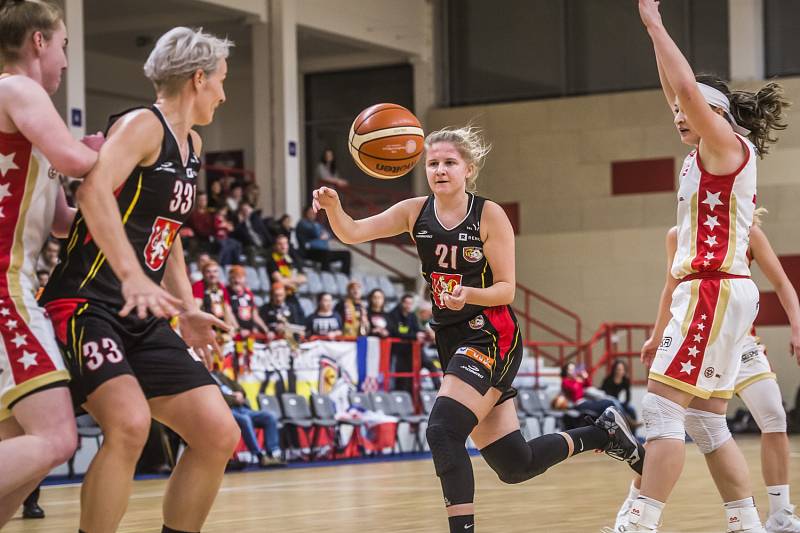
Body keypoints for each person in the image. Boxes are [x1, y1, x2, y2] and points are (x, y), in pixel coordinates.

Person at [312, 125, 642, 532]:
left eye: (449, 162)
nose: (440, 170)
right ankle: (601, 433)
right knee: (515, 464)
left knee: (442, 431)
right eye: (432, 163)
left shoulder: (488, 214)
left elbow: (506, 290)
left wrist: (467, 293)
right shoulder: (415, 211)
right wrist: (333, 207)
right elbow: (353, 232)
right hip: (452, 339)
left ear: (468, 168)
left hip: (491, 335)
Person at [40, 27, 241, 533]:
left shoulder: (191, 143)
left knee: (218, 432)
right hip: (85, 304)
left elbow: (166, 235)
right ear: (198, 79)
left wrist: (186, 308)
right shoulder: (140, 126)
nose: (223, 92)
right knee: (128, 427)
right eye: (220, 80)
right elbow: (92, 194)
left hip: (142, 313)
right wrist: (131, 276)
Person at [620, 3, 791, 531]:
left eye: (686, 108)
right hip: (715, 292)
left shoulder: (726, 145)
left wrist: (655, 23)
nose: (676, 111)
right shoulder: (702, 153)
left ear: (714, 114)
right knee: (706, 422)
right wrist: (653, 38)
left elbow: (687, 90)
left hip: (712, 292)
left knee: (664, 412)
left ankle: (640, 523)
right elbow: (679, 90)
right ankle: (748, 522)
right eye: (674, 109)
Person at [607, 221, 800, 533]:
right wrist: (656, 336)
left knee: (771, 416)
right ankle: (637, 504)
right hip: (702, 333)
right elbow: (670, 288)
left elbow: (781, 282)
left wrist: (796, 327)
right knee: (686, 420)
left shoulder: (746, 232)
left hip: (738, 342)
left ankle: (779, 513)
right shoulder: (676, 234)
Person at [0, 0, 105, 526]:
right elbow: (75, 160)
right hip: (4, 288)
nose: (65, 59)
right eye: (63, 44)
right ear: (39, 41)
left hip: (14, 282)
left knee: (19, 451)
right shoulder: (15, 88)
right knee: (58, 437)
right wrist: (115, 148)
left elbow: (61, 222)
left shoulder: (30, 111)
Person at [210, 368, 284, 467]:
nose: (205, 359)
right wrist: (234, 398)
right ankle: (260, 456)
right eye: (201, 357)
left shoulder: (219, 374)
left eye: (206, 356)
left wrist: (240, 394)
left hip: (241, 408)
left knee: (269, 416)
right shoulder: (203, 379)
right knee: (245, 419)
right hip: (226, 410)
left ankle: (273, 454)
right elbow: (217, 398)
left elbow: (239, 388)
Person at [295, 205, 352, 274]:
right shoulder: (302, 223)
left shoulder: (317, 224)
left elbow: (329, 235)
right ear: (305, 213)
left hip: (323, 251)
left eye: (314, 213)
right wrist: (320, 234)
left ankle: (344, 277)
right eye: (310, 213)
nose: (312, 215)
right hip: (309, 251)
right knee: (326, 255)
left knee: (346, 254)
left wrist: (323, 235)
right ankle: (325, 274)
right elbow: (314, 233)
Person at [387, 294, 425, 393]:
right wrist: (413, 336)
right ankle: (397, 395)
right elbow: (395, 333)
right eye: (406, 303)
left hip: (409, 350)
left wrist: (421, 333)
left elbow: (417, 330)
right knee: (397, 375)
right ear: (401, 303)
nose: (409, 306)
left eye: (410, 304)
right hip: (395, 351)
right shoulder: (393, 314)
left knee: (408, 376)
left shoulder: (412, 315)